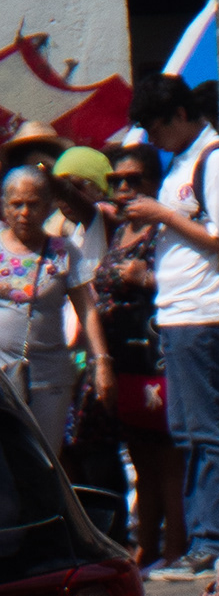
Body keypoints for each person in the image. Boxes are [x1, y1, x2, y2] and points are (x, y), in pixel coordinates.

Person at [120, 72, 219, 575]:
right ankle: (200, 540)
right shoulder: (182, 162)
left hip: (206, 313)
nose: (154, 140)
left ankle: (212, 541)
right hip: (177, 315)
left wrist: (163, 215)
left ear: (179, 114)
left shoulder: (218, 160)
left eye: (156, 128)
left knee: (209, 433)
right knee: (187, 433)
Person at [87, 147, 184, 567]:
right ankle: (147, 544)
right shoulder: (119, 230)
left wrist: (147, 278)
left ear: (154, 183)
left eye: (134, 179)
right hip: (123, 358)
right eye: (116, 181)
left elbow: (188, 280)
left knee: (169, 458)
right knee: (141, 456)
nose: (124, 188)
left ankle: (175, 544)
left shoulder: (163, 229)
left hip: (156, 357)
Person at [0, 162, 113, 458]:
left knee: (43, 461)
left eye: (33, 204)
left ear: (48, 206)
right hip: (1, 374)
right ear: (4, 206)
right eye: (17, 204)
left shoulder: (63, 251)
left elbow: (87, 309)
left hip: (48, 377)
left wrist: (101, 361)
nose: (24, 212)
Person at [50, 146, 114, 279]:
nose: (66, 199)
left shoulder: (106, 215)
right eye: (57, 193)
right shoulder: (74, 235)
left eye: (75, 187)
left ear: (99, 189)